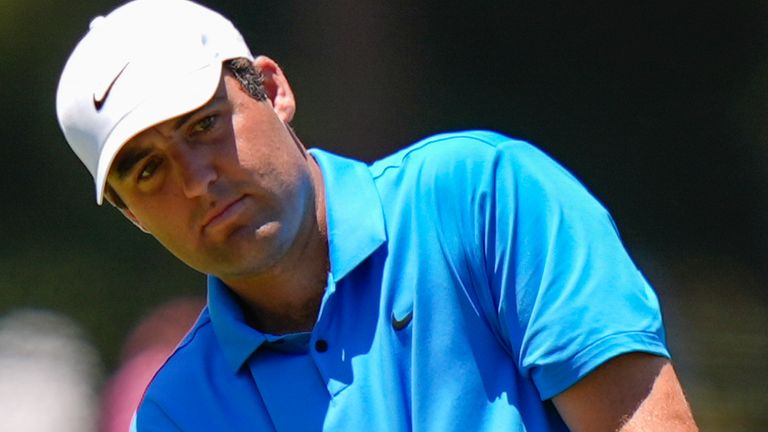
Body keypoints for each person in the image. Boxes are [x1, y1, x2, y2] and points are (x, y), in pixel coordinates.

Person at [55, 0, 698, 430]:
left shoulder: (481, 195)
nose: (196, 180)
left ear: (272, 89)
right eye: (148, 170)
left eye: (204, 124)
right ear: (131, 215)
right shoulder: (179, 412)